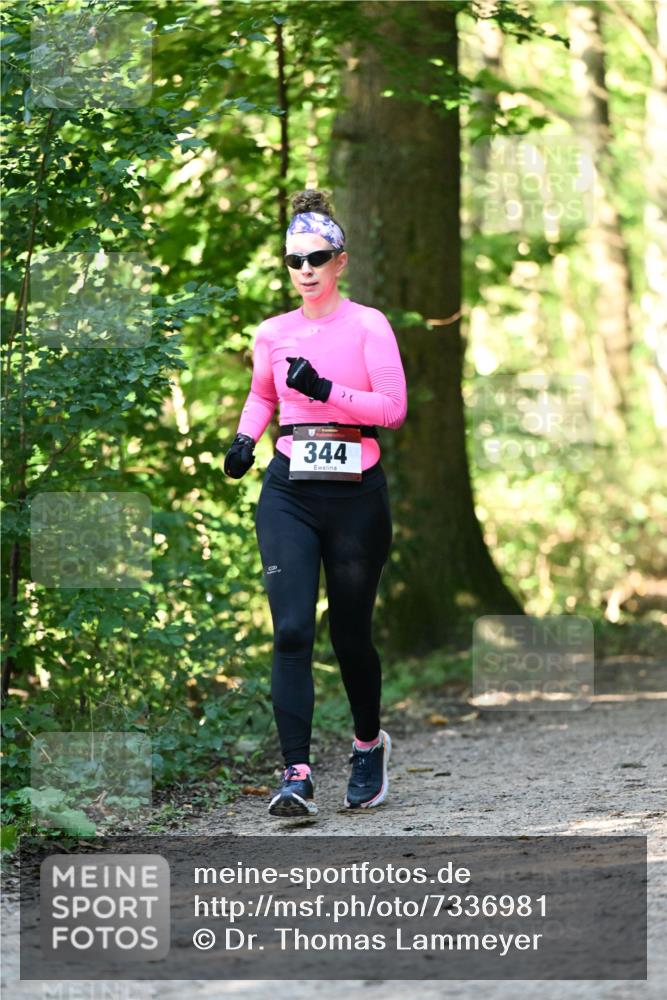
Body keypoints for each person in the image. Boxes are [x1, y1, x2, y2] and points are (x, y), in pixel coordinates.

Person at [224, 189, 407, 818]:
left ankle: (366, 746)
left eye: (318, 257)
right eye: (294, 259)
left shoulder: (368, 325)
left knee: (350, 634)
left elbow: (392, 409)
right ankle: (296, 775)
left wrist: (325, 388)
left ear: (340, 262)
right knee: (293, 630)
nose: (305, 269)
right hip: (290, 494)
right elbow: (261, 397)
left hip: (356, 495)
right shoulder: (272, 333)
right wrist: (246, 440)